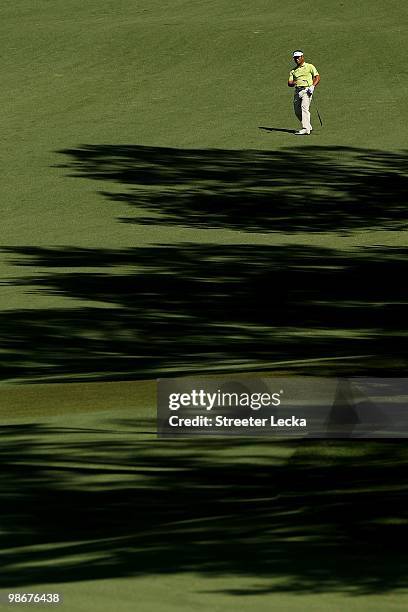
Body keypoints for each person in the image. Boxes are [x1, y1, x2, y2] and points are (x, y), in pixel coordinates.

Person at [288, 50, 320, 135]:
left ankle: (305, 128)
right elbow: (289, 83)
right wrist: (296, 82)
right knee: (297, 111)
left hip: (307, 90)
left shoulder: (309, 66)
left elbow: (317, 77)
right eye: (295, 58)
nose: (296, 59)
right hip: (298, 91)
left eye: (298, 57)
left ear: (302, 57)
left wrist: (312, 86)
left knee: (304, 107)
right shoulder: (293, 71)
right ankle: (308, 125)